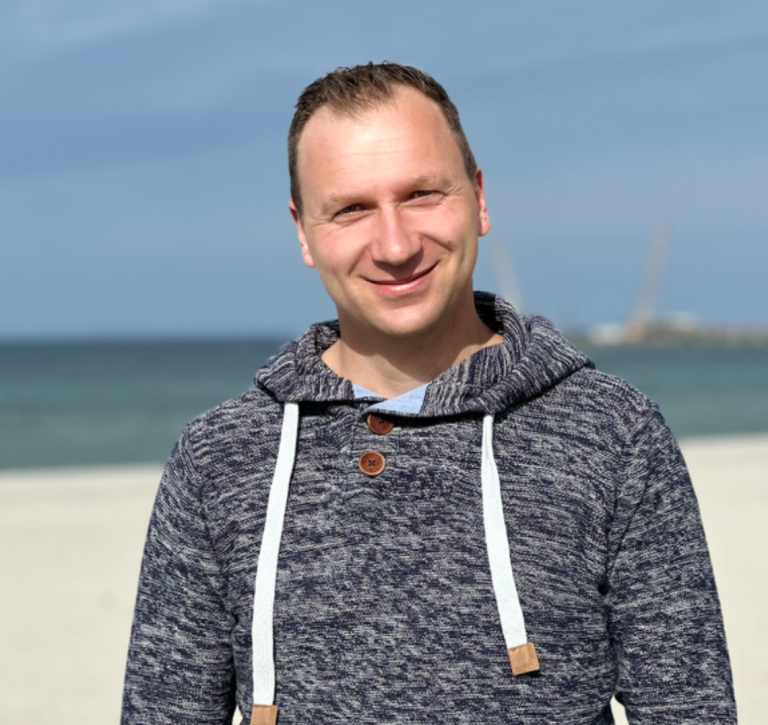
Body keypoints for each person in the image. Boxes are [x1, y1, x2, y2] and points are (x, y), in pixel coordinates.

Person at [122, 63, 736, 724]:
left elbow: (690, 710)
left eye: (421, 194)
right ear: (303, 232)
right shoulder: (218, 460)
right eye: (351, 209)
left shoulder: (615, 434)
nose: (395, 245)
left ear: (478, 197)